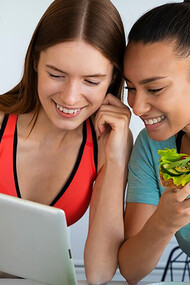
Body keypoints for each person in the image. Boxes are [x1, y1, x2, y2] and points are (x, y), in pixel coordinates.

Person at [0, 0, 133, 283]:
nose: (71, 98)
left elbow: (98, 273)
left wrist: (116, 158)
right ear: (36, 62)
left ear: (113, 79)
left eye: (92, 81)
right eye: (56, 75)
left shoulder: (106, 143)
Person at [118, 0, 190, 283]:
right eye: (131, 88)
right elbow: (131, 270)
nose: (136, 106)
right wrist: (162, 223)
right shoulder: (155, 147)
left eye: (155, 88)